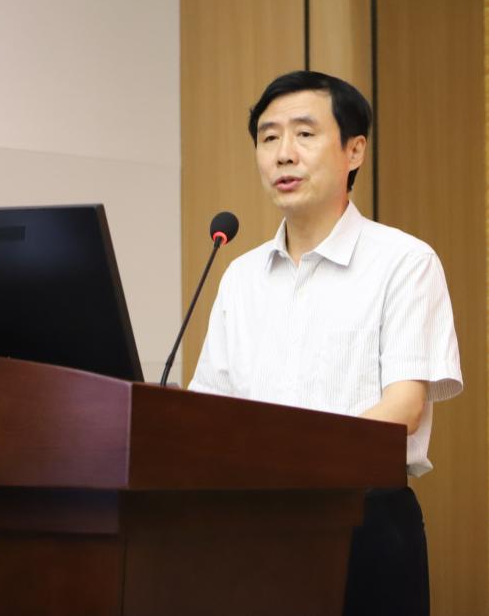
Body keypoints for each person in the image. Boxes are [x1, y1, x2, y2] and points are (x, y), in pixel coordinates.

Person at [188, 70, 463, 616]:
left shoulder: (404, 262)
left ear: (354, 150)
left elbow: (403, 409)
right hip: (249, 524)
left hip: (363, 523)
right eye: (268, 137)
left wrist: (291, 461)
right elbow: (209, 406)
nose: (283, 154)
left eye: (305, 134)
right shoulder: (240, 276)